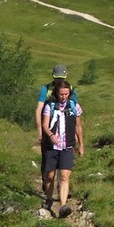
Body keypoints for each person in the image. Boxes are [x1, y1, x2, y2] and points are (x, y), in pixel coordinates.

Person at [36, 64, 78, 207]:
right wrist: (41, 130)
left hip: (65, 135)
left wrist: (76, 134)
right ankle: (47, 191)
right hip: (49, 131)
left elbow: (74, 111)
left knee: (64, 170)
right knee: (49, 169)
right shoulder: (46, 89)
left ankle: (62, 195)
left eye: (61, 78)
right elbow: (39, 109)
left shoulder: (70, 89)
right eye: (57, 78)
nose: (59, 81)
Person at [40, 80, 83, 218]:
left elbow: (78, 126)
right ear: (56, 94)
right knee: (50, 176)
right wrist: (51, 135)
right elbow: (45, 124)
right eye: (61, 94)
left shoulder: (74, 106)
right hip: (52, 147)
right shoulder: (50, 106)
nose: (64, 97)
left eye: (66, 94)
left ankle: (63, 206)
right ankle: (49, 199)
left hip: (67, 146)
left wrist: (81, 144)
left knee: (64, 177)